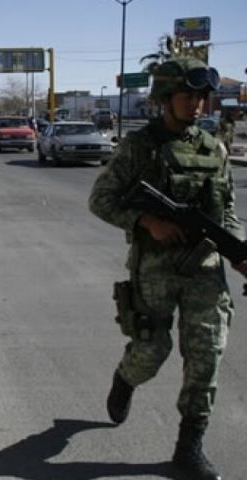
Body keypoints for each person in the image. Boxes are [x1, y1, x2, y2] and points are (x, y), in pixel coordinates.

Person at [89, 57, 247, 480]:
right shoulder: (140, 147)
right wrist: (147, 222)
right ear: (164, 99)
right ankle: (125, 379)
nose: (196, 105)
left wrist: (239, 249)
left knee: (206, 355)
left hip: (205, 271)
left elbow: (227, 212)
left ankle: (189, 445)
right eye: (186, 96)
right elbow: (100, 200)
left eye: (201, 97)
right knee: (151, 351)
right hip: (155, 271)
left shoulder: (213, 149)